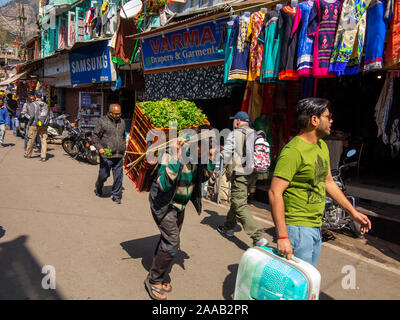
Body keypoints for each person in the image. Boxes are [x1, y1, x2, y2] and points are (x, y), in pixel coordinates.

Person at [268, 98, 371, 267]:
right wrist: (283, 236)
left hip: (316, 225)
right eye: (328, 116)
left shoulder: (322, 146)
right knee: (296, 285)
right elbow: (274, 192)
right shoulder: (293, 151)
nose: (331, 120)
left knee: (308, 282)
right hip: (297, 227)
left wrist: (353, 212)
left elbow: (328, 183)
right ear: (314, 120)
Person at [145, 126, 216, 300]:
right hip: (164, 204)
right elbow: (163, 184)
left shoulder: (200, 157)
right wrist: (176, 157)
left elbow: (204, 178)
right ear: (194, 144)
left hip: (179, 205)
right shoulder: (173, 153)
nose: (207, 150)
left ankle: (158, 273)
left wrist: (211, 160)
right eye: (205, 146)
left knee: (167, 240)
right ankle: (153, 279)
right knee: (173, 243)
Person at [217, 111, 269, 247]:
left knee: (239, 204)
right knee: (238, 201)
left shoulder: (234, 134)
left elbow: (226, 154)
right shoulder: (255, 133)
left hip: (240, 173)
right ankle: (228, 228)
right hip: (253, 174)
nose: (234, 122)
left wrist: (219, 152)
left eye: (234, 120)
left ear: (238, 121)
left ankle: (258, 237)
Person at [92, 104, 126, 204]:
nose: (118, 115)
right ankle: (99, 185)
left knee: (118, 176)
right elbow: (95, 135)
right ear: (110, 113)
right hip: (106, 155)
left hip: (119, 154)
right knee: (104, 175)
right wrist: (100, 148)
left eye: (119, 113)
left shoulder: (122, 122)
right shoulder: (102, 121)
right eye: (116, 114)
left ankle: (116, 195)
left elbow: (123, 136)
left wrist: (123, 145)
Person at [25, 92, 49, 161]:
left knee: (31, 140)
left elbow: (32, 116)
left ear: (35, 96)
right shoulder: (45, 104)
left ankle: (28, 154)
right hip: (44, 125)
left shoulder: (33, 104)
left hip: (34, 124)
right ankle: (43, 156)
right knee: (43, 140)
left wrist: (29, 123)